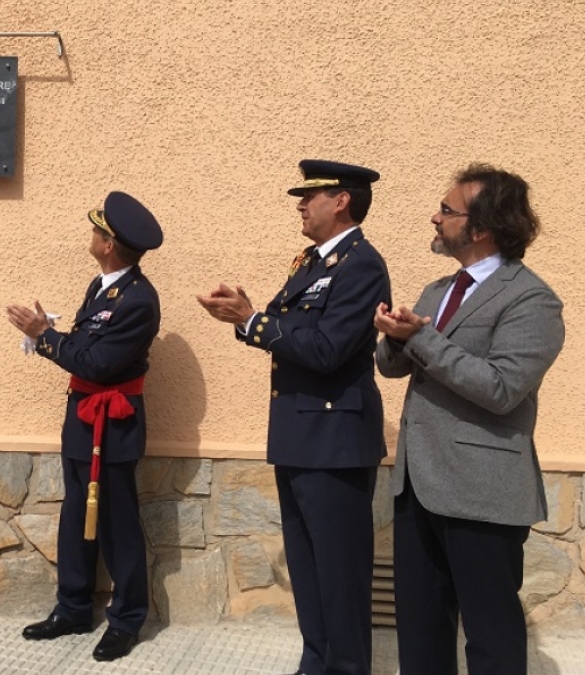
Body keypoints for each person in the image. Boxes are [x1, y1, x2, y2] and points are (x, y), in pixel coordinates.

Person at [198, 160, 390, 675]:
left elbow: (327, 350)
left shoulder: (361, 265)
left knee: (340, 574)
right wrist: (246, 315)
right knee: (308, 569)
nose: (301, 205)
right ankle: (315, 662)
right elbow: (288, 331)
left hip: (335, 441)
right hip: (300, 433)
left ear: (341, 201)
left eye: (311, 196)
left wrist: (253, 321)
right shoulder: (310, 262)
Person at [374, 164, 565, 675]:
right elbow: (394, 368)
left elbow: (501, 389)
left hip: (484, 492)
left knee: (491, 636)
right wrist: (394, 337)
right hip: (417, 486)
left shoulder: (532, 299)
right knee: (420, 629)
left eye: (447, 210)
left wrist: (420, 337)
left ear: (481, 227)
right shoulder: (438, 289)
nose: (435, 218)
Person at [7, 191, 162, 662]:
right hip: (83, 417)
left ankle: (127, 619)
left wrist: (45, 337)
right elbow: (87, 347)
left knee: (116, 524)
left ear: (109, 244)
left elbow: (97, 362)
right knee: (76, 516)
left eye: (97, 231)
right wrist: (52, 336)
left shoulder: (138, 299)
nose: (91, 236)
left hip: (113, 423)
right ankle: (73, 608)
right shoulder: (102, 286)